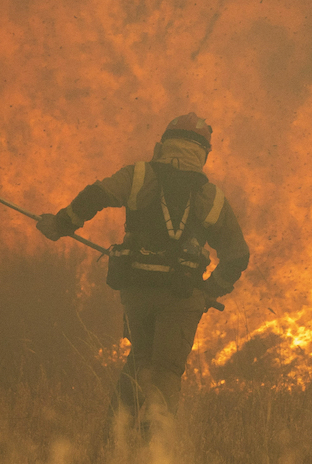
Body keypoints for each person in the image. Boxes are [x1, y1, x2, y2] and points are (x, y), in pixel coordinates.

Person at [36, 113, 250, 428]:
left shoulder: (139, 176)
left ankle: (115, 439)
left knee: (140, 362)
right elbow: (237, 255)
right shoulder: (210, 197)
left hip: (137, 293)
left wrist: (60, 223)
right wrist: (209, 291)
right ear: (203, 153)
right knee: (165, 371)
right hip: (181, 300)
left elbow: (96, 195)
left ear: (164, 144)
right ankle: (155, 457)